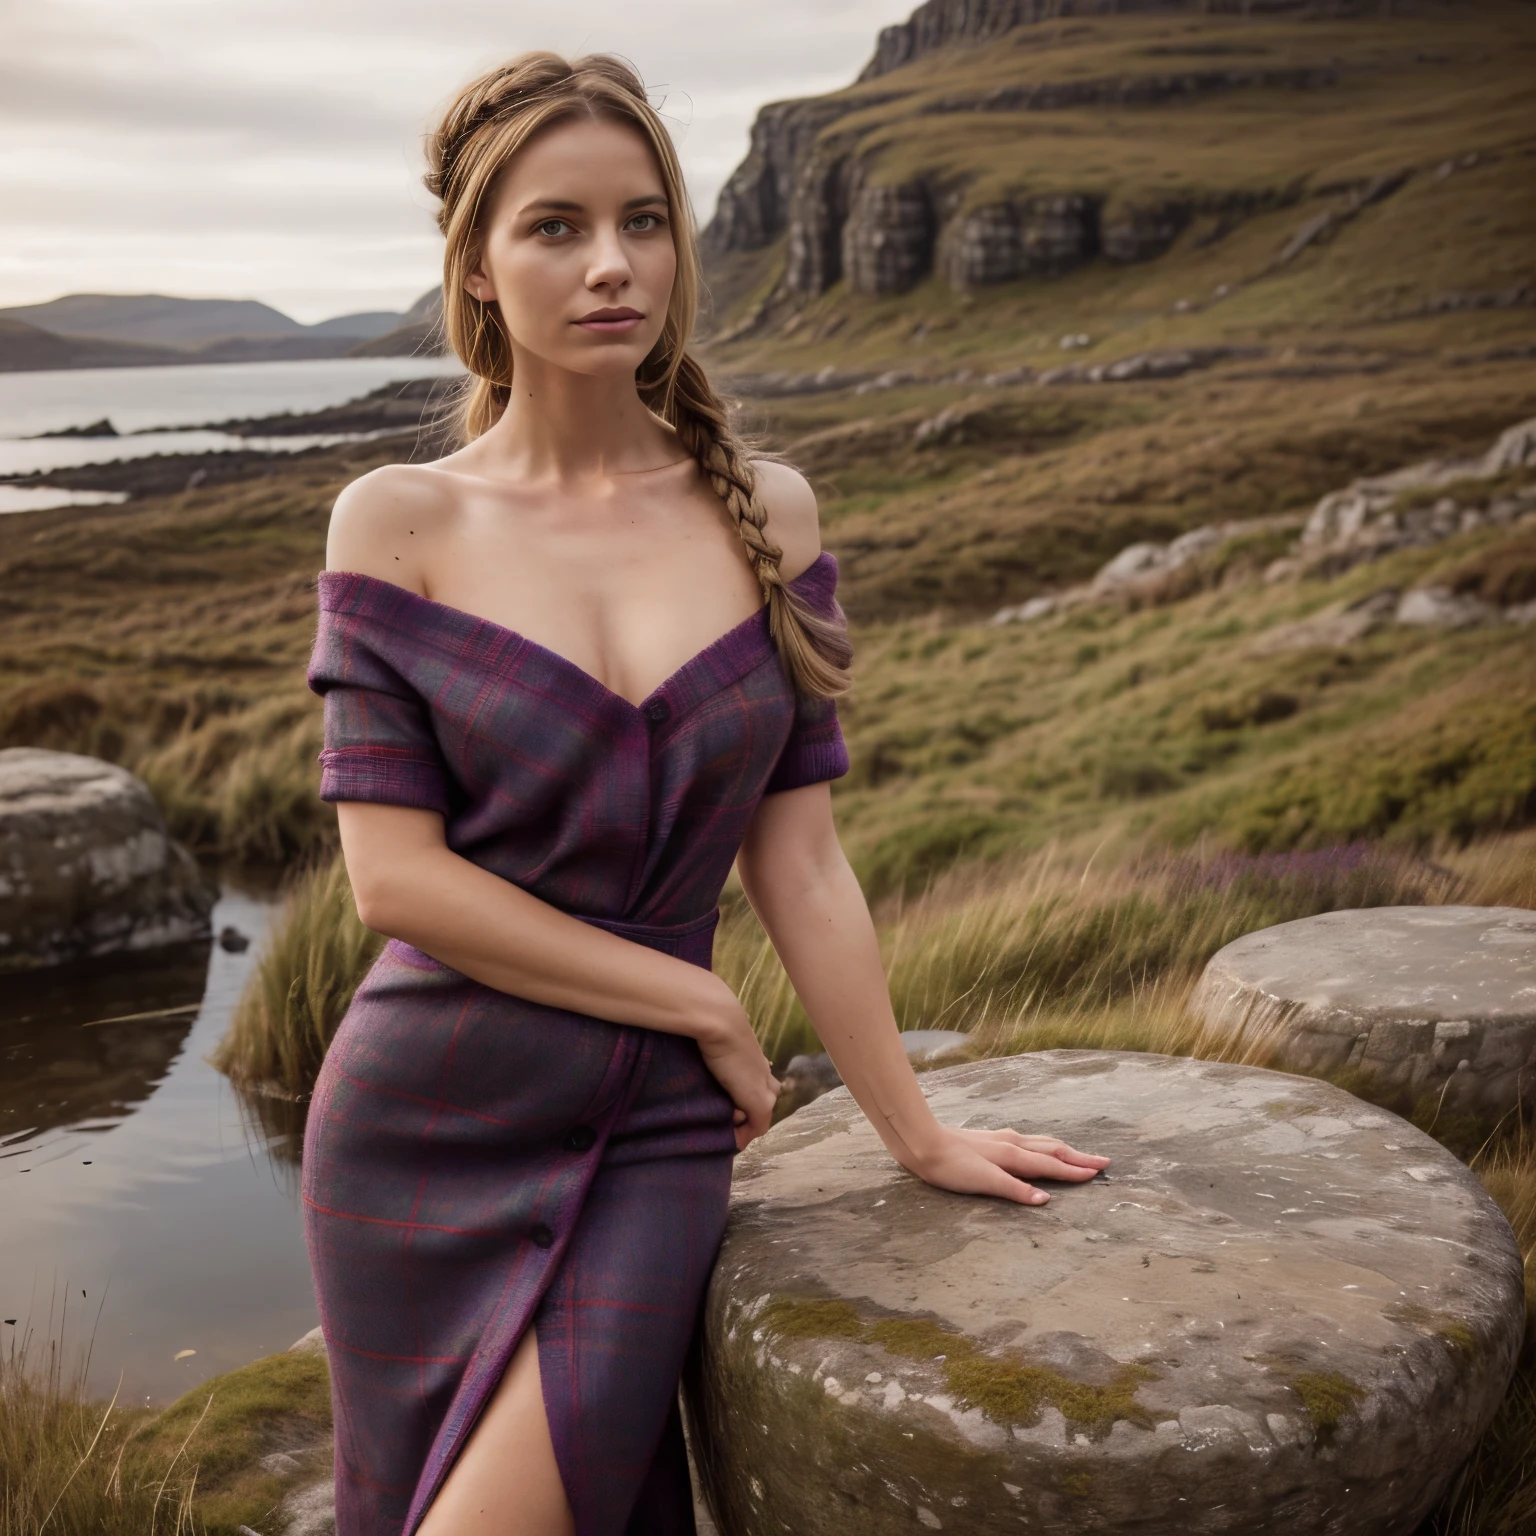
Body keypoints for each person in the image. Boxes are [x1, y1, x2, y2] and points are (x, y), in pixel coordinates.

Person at [301, 51, 1110, 1536]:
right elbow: (393, 884)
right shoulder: (396, 521)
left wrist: (912, 1132)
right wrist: (701, 1004)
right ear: (476, 267)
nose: (613, 264)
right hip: (424, 1118)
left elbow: (801, 866)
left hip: (652, 1137)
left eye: (644, 220)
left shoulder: (772, 510)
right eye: (555, 227)